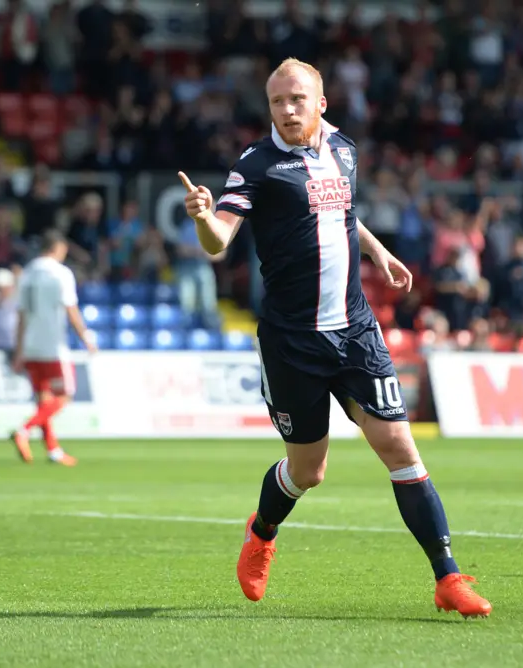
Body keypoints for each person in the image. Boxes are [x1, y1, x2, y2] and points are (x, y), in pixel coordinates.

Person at [179, 58, 492, 618]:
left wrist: (378, 251)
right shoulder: (256, 164)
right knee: (309, 471)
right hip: (292, 342)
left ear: (321, 102)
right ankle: (262, 531)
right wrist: (204, 217)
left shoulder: (344, 149)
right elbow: (218, 240)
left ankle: (448, 578)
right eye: (277, 101)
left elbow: (341, 212)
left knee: (399, 447)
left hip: (354, 329)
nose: (287, 110)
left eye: (297, 99)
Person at [11, 230, 96, 466]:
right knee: (65, 396)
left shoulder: (28, 273)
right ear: (58, 248)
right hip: (53, 347)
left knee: (43, 400)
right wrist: (86, 337)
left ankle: (53, 450)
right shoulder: (60, 273)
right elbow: (71, 309)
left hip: (30, 346)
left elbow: (21, 315)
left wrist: (19, 351)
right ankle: (24, 430)